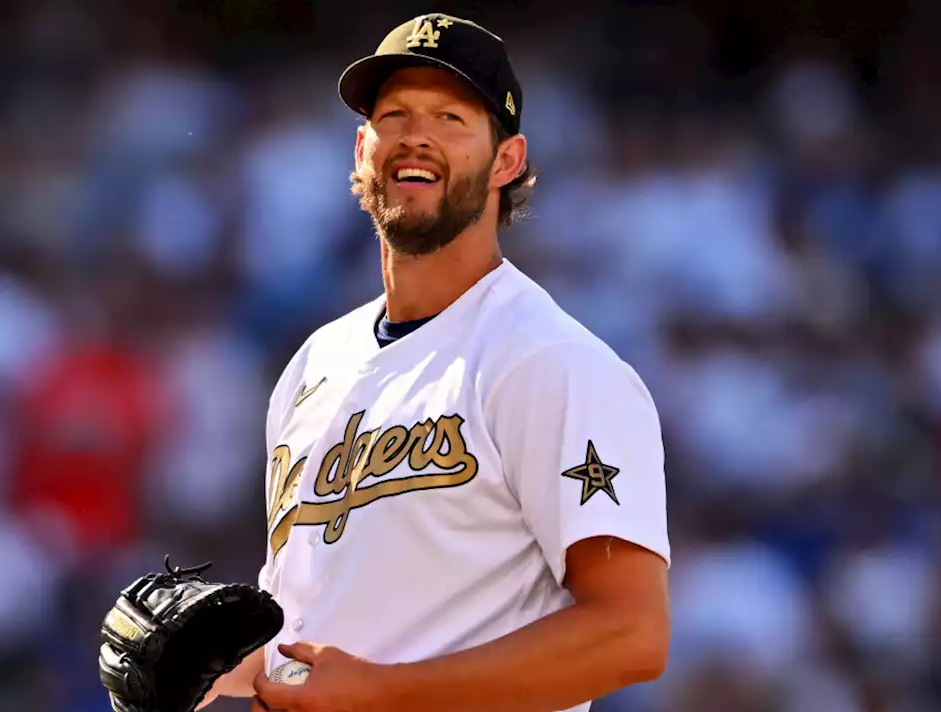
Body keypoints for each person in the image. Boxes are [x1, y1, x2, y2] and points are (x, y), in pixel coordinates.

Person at [200, 13, 671, 712]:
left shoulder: (550, 361)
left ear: (506, 161)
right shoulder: (314, 363)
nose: (414, 134)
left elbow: (631, 632)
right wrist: (211, 665)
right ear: (363, 149)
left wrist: (387, 694)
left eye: (450, 116)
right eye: (393, 115)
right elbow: (306, 644)